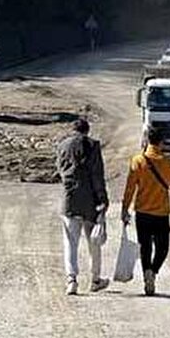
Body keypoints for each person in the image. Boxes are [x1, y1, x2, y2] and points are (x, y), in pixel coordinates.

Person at [121, 127, 170, 296]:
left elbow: (129, 188)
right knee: (162, 247)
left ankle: (146, 272)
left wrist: (125, 209)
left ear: (147, 140)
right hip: (161, 213)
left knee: (145, 247)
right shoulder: (168, 161)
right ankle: (153, 271)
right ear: (162, 142)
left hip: (142, 212)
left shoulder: (138, 160)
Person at [55, 118, 110, 295]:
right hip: (90, 202)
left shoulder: (63, 145)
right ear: (87, 130)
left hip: (70, 200)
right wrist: (102, 198)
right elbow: (97, 175)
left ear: (73, 130)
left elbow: (60, 170)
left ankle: (71, 280)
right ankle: (95, 279)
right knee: (93, 241)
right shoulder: (93, 146)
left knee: (70, 242)